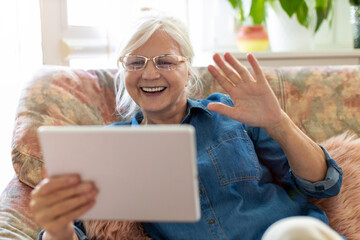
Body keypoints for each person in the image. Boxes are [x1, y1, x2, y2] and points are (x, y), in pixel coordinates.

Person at [30, 12, 346, 240]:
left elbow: (324, 183)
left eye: (165, 61)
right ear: (123, 72)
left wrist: (279, 122)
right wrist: (57, 228)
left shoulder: (232, 112)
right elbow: (79, 231)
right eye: (136, 63)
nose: (149, 74)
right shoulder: (108, 146)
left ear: (188, 70)